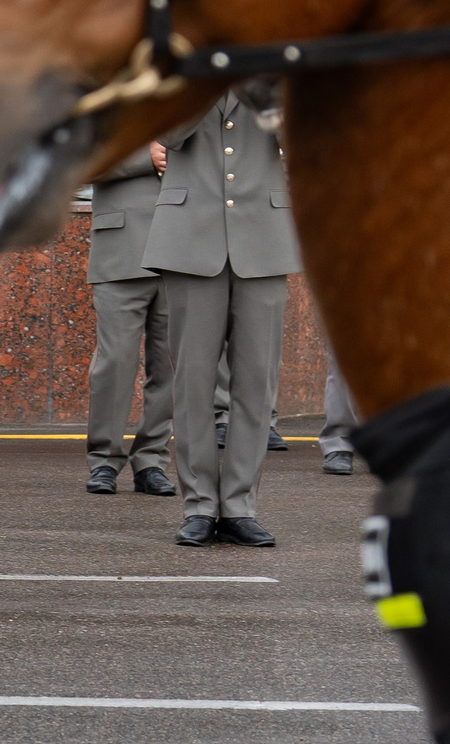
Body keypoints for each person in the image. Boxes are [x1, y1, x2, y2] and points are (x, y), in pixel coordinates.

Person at [146, 90, 300, 548]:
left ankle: (239, 506)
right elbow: (171, 133)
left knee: (256, 383)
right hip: (190, 239)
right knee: (193, 383)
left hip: (264, 240)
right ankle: (199, 506)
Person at [82, 141, 174, 495]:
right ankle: (104, 459)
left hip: (183, 249)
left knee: (170, 366)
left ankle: (152, 460)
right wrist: (143, 157)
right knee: (115, 361)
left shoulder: (193, 102)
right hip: (120, 247)